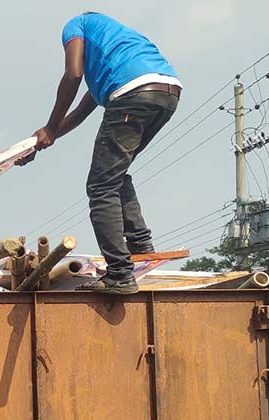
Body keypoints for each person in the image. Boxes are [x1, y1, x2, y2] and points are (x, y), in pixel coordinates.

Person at [21, 12, 181, 295]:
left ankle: (119, 274)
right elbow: (79, 114)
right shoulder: (111, 61)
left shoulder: (76, 24)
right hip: (165, 93)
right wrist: (44, 138)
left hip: (133, 93)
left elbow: (72, 75)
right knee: (115, 176)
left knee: (100, 186)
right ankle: (141, 246)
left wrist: (48, 126)